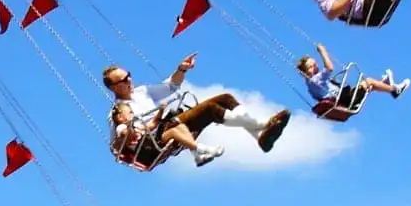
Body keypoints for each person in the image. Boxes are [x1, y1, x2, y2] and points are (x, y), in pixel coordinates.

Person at [103, 54, 291, 162]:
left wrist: (181, 69)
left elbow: (171, 86)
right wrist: (126, 135)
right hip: (157, 138)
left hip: (171, 121)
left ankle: (259, 136)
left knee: (225, 98)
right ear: (114, 87)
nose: (129, 80)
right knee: (210, 109)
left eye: (129, 75)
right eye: (124, 80)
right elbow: (116, 146)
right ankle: (262, 124)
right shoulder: (117, 112)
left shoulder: (142, 91)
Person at [111, 100, 224, 168]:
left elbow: (153, 124)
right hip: (146, 152)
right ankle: (203, 149)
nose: (132, 114)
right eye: (130, 112)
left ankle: (197, 156)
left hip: (153, 145)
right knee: (173, 131)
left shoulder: (137, 125)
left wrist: (161, 110)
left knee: (181, 127)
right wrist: (129, 126)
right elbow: (124, 134)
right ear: (120, 117)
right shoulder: (122, 127)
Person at [297, 43, 410, 110]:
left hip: (344, 98)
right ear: (305, 72)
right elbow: (329, 68)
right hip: (345, 100)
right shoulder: (314, 80)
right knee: (369, 81)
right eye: (311, 66)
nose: (316, 67)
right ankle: (395, 90)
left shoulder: (312, 84)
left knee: (367, 85)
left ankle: (384, 83)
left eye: (315, 64)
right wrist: (323, 52)